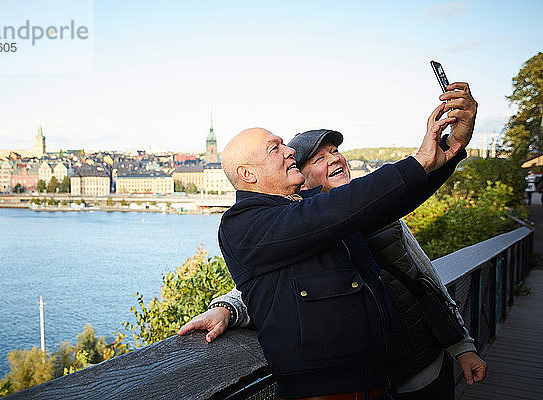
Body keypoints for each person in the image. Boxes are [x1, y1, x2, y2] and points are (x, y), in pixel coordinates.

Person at [179, 82, 477, 399]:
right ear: (248, 174)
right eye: (275, 148)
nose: (290, 150)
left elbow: (385, 202)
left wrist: (451, 148)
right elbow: (328, 214)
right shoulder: (242, 223)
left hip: (380, 385)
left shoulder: (305, 211)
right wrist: (228, 305)